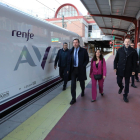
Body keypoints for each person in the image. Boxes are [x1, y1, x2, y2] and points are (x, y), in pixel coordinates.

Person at [114, 38, 136, 103]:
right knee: (118, 81)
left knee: (127, 84)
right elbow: (116, 60)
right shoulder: (119, 50)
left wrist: (133, 70)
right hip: (120, 69)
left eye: (128, 41)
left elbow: (134, 62)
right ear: (124, 42)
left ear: (130, 42)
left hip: (128, 70)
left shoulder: (133, 51)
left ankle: (125, 95)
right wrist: (115, 67)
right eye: (126, 41)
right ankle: (121, 87)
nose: (127, 42)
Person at [67, 39, 89, 105]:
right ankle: (73, 98)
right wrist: (68, 69)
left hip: (81, 69)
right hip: (73, 70)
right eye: (74, 42)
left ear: (79, 43)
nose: (75, 44)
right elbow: (68, 61)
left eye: (76, 42)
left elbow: (87, 59)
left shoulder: (83, 50)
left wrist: (83, 65)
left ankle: (82, 90)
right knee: (73, 84)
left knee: (82, 83)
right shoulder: (70, 51)